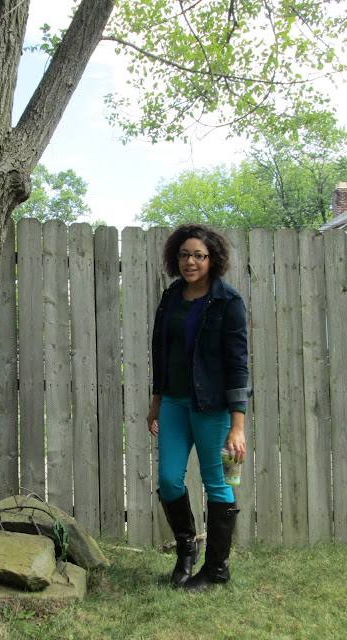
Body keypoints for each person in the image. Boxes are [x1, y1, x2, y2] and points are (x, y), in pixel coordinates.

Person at [147, 223, 252, 592]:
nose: (190, 262)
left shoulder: (228, 301)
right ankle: (186, 550)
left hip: (212, 407)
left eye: (199, 256)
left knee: (217, 483)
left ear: (213, 259)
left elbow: (238, 363)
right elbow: (162, 352)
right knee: (168, 479)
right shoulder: (171, 296)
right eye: (184, 255)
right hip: (174, 403)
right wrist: (157, 401)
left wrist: (237, 426)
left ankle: (217, 569)